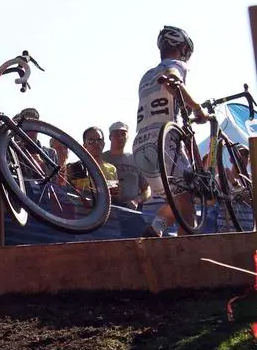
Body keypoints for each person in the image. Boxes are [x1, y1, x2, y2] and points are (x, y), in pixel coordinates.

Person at [132, 26, 208, 236]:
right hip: (164, 142)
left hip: (141, 145)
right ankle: (188, 259)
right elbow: (173, 78)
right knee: (189, 212)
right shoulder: (176, 64)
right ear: (182, 48)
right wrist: (198, 109)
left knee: (179, 200)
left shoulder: (146, 75)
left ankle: (156, 228)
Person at [103, 121, 151, 210]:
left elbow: (147, 190)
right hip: (107, 208)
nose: (120, 137)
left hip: (132, 210)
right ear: (110, 137)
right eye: (116, 134)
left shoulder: (136, 159)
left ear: (127, 137)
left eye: (123, 134)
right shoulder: (102, 158)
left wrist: (136, 201)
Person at [68, 127, 119, 195]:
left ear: (103, 144)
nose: (96, 143)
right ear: (84, 146)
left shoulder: (112, 169)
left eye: (99, 140)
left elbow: (115, 197)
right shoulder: (75, 167)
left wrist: (115, 191)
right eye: (91, 141)